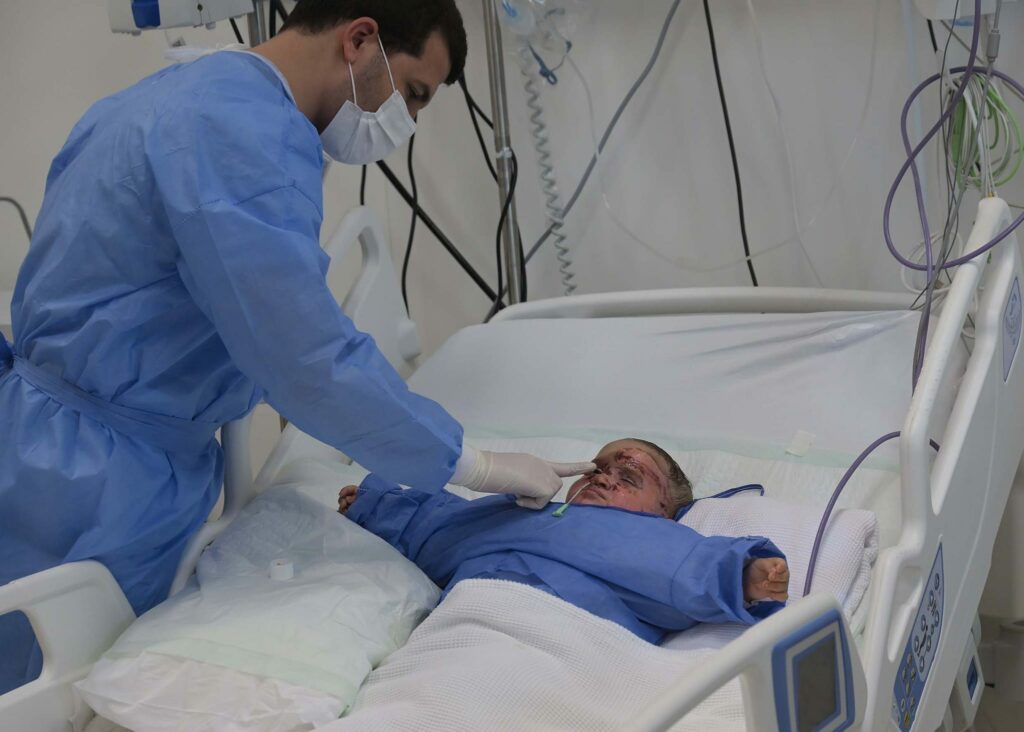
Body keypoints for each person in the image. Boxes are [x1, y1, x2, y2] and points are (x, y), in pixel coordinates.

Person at [0, 0, 592, 694]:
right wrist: (475, 464)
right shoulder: (241, 135)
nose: (407, 121)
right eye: (413, 94)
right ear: (360, 39)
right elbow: (306, 358)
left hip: (35, 444)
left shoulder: (161, 99)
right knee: (53, 694)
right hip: (101, 485)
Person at [338, 439, 791, 643]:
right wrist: (383, 508)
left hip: (562, 645)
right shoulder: (520, 511)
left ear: (664, 511)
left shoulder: (657, 540)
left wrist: (742, 573)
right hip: (458, 629)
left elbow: (685, 565)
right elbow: (447, 528)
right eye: (597, 469)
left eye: (629, 477)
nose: (605, 478)